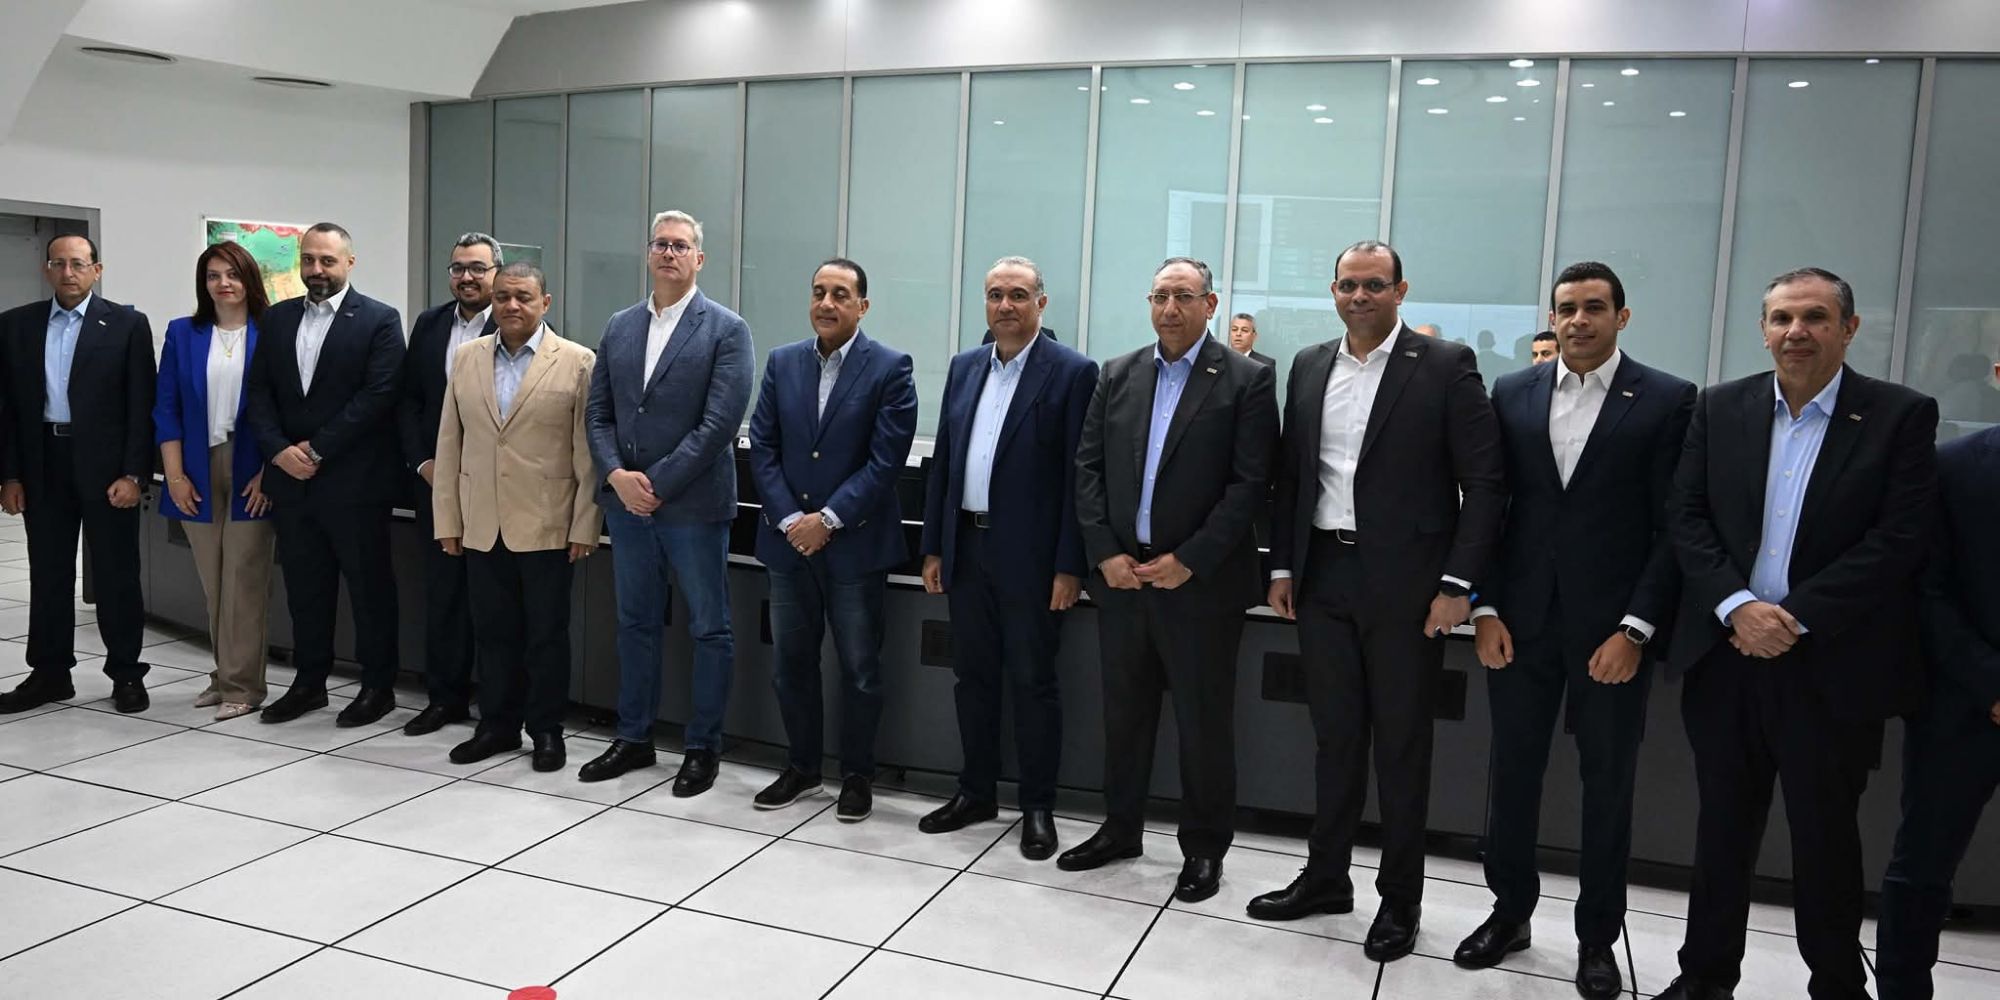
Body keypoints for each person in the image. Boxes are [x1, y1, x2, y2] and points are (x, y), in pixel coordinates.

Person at [1658, 268, 1938, 1000]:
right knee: (1721, 830)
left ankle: (1836, 985)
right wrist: (1737, 607)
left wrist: (1795, 615)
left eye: (1815, 317)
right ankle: (1704, 977)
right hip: (1726, 658)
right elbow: (1686, 517)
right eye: (1782, 318)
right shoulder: (1720, 407)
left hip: (1831, 664)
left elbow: (1900, 538)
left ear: (1848, 328)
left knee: (1825, 837)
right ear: (1763, 330)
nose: (1796, 332)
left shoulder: (1900, 416)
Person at [1251, 240, 1505, 964]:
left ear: (1400, 290)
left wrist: (1457, 586)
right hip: (1323, 575)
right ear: (1332, 291)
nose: (1359, 296)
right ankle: (1327, 878)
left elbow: (1486, 484)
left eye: (1373, 284)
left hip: (1409, 587)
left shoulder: (1445, 365)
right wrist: (1282, 564)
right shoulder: (1309, 365)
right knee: (1334, 739)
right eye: (1347, 285)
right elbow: (1292, 478)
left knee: (1400, 745)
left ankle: (1400, 900)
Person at [1455, 262, 1695, 998]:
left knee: (1607, 785)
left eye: (1594, 307)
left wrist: (1637, 629)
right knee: (1513, 776)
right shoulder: (1513, 391)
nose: (1579, 320)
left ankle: (1597, 937)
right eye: (1567, 308)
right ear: (1553, 316)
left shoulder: (1667, 399)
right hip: (1519, 624)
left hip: (1610, 634)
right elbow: (1492, 506)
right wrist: (1484, 608)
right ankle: (1510, 913)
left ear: (1622, 316)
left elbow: (1673, 526)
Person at [1061, 256, 1278, 904]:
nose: (1170, 309)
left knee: (1203, 724)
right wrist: (1104, 553)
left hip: (1200, 586)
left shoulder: (1246, 379)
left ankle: (1205, 849)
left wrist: (1192, 558)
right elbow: (1087, 469)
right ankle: (1120, 829)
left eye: (1184, 296)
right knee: (1124, 717)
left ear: (1210, 305)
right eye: (1160, 296)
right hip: (1125, 580)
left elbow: (1250, 484)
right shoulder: (1117, 373)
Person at [918, 256, 1097, 858]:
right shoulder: (965, 367)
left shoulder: (1072, 372)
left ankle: (1037, 806)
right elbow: (945, 462)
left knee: (1033, 682)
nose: (1005, 306)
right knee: (972, 678)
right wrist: (935, 546)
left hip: (1034, 560)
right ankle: (976, 792)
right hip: (968, 548)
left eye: (1018, 295)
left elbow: (1079, 479)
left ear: (1041, 303)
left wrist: (1070, 565)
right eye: (995, 295)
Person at [581, 209, 752, 793]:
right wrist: (617, 475)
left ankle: (703, 748)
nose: (669, 253)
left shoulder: (726, 329)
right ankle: (633, 738)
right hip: (627, 506)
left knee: (709, 628)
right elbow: (598, 413)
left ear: (699, 258)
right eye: (661, 244)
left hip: (693, 507)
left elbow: (719, 424)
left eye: (681, 245)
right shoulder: (620, 325)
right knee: (635, 623)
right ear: (648, 254)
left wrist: (655, 484)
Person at [748, 258, 918, 823]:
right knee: (791, 664)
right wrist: (790, 520)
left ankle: (856, 776)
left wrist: (829, 519)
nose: (827, 303)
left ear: (862, 306)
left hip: (855, 545)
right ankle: (801, 768)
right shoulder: (782, 362)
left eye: (840, 294)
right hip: (787, 544)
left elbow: (885, 460)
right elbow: (763, 447)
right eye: (819, 292)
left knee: (860, 669)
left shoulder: (890, 367)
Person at [432, 262, 599, 773]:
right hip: (482, 520)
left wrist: (585, 524)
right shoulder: (467, 357)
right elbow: (449, 441)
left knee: (546, 635)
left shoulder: (577, 362)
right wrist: (448, 520)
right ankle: (497, 726)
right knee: (492, 631)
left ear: (545, 303)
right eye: (503, 296)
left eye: (523, 297)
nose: (511, 305)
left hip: (548, 522)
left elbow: (586, 453)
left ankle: (546, 730)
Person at [243, 222, 407, 727]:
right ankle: (309, 684)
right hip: (292, 483)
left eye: (327, 261)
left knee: (368, 591)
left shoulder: (379, 319)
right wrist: (278, 451)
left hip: (354, 482)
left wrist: (316, 449)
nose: (317, 270)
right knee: (305, 588)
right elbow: (260, 392)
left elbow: (379, 395)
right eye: (309, 260)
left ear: (349, 263)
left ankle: (377, 688)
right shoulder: (277, 318)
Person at [1875, 359, 2000, 1000]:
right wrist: (1992, 684)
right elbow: (1927, 590)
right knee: (1922, 866)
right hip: (1964, 703)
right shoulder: (1953, 468)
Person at [0, 235, 156, 715]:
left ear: (96, 270)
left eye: (78, 264)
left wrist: (134, 473)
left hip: (108, 469)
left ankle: (126, 673)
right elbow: (6, 408)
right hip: (42, 462)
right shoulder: (16, 325)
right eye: (59, 263)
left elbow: (141, 404)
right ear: (47, 269)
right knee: (48, 573)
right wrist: (10, 475)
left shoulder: (127, 324)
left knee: (116, 574)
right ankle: (50, 674)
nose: (68, 272)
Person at [154, 241, 278, 721]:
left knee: (244, 579)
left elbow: (286, 407)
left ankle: (243, 685)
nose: (223, 283)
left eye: (232, 274)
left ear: (250, 279)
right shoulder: (182, 333)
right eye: (213, 275)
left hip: (252, 468)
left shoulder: (273, 331)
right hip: (194, 467)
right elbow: (166, 408)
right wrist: (174, 476)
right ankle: (223, 674)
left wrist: (271, 471)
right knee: (214, 581)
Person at [396, 232, 500, 737]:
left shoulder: (516, 323)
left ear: (496, 273)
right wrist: (423, 463)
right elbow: (410, 400)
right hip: (435, 484)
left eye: (478, 268)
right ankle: (445, 698)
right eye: (458, 268)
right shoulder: (430, 324)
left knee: (493, 597)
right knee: (443, 595)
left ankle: (499, 706)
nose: (467, 277)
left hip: (495, 486)